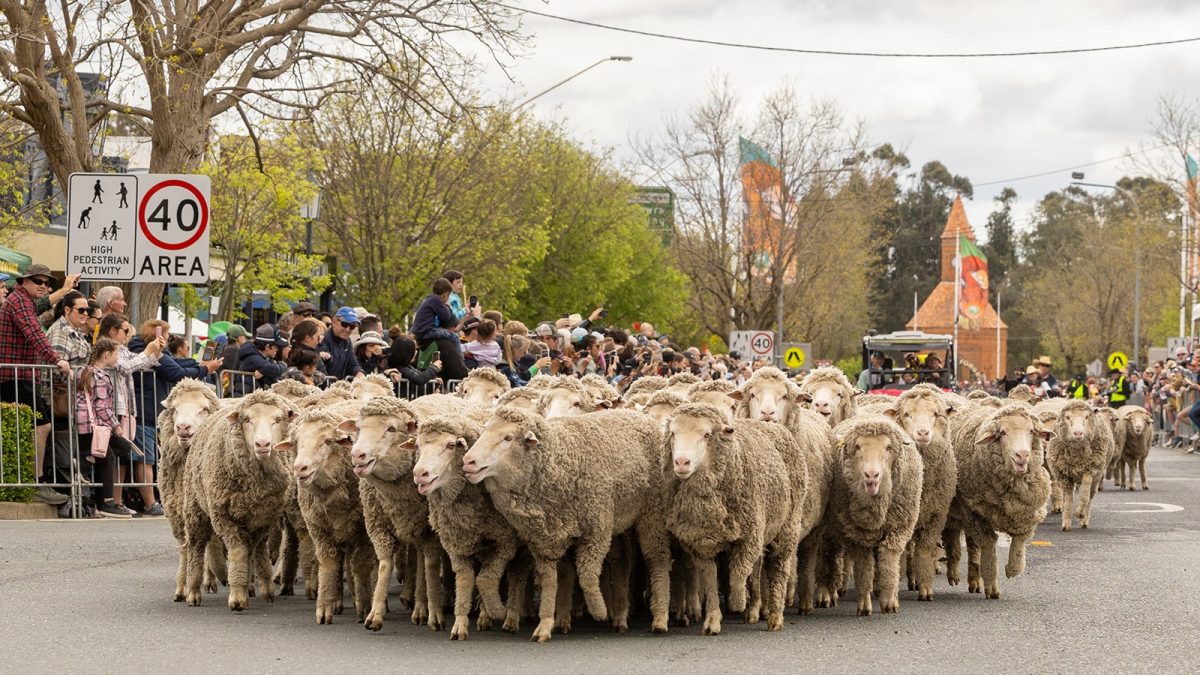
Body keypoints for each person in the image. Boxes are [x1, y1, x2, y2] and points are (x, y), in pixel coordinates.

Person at [130, 322, 220, 516]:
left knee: (150, 458)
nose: (169, 337)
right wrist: (204, 370)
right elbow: (175, 372)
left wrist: (200, 365)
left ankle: (152, 500)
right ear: (155, 333)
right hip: (144, 411)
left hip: (151, 412)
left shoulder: (159, 351)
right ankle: (149, 503)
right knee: (145, 459)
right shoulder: (147, 349)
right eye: (167, 332)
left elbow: (178, 364)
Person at [0, 264, 71, 505]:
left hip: (21, 377)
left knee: (37, 425)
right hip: (13, 376)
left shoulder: (23, 301)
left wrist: (65, 289)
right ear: (25, 281)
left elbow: (39, 307)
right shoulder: (19, 302)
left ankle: (31, 481)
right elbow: (34, 332)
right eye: (38, 281)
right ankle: (34, 482)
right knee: (42, 425)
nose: (44, 286)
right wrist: (58, 359)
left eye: (47, 283)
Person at [98, 314, 164, 513]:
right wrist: (147, 351)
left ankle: (118, 501)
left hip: (126, 407)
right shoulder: (105, 346)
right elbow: (125, 368)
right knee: (116, 456)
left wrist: (156, 351)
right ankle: (112, 501)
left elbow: (141, 363)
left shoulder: (123, 349)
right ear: (112, 331)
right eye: (125, 330)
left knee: (123, 456)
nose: (128, 334)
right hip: (112, 407)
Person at [75, 338, 139, 517]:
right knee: (110, 457)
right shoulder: (100, 376)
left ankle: (88, 460)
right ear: (107, 355)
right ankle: (108, 501)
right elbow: (101, 406)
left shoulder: (84, 371)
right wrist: (116, 425)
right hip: (95, 426)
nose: (118, 358)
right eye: (117, 354)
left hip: (85, 424)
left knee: (117, 450)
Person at [411, 279, 467, 380]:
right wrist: (448, 308)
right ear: (446, 294)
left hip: (422, 332)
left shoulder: (429, 299)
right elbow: (445, 316)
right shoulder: (436, 300)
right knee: (454, 336)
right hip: (427, 331)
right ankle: (461, 359)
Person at [233, 324, 288, 395]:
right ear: (267, 347)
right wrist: (283, 364)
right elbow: (274, 370)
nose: (278, 350)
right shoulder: (253, 358)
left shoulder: (262, 356)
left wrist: (264, 374)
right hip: (244, 398)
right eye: (276, 347)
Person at [318, 307, 365, 381]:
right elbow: (321, 368)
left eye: (352, 326)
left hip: (338, 387)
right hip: (324, 387)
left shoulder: (347, 341)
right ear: (334, 322)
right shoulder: (322, 339)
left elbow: (353, 364)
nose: (347, 329)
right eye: (345, 324)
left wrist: (360, 373)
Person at [288, 317, 327, 385]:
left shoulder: (293, 351)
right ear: (307, 338)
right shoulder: (308, 356)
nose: (319, 341)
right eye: (318, 337)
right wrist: (306, 380)